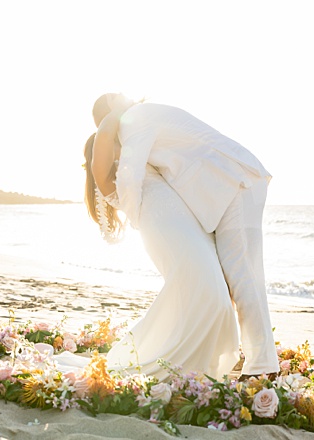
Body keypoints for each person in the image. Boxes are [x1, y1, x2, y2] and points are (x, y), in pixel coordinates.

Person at [85, 94, 279, 381]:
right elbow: (129, 176)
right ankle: (259, 363)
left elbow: (135, 173)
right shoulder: (134, 123)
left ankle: (262, 365)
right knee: (234, 279)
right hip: (215, 199)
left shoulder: (137, 120)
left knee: (242, 276)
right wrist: (140, 214)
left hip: (234, 183)